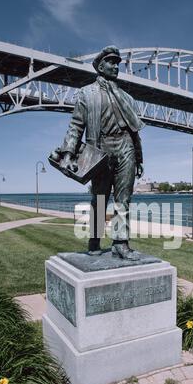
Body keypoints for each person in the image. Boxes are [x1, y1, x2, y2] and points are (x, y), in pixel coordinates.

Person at [58, 45, 145, 260]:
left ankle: (120, 243)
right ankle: (95, 239)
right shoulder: (86, 93)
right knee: (99, 199)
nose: (115, 66)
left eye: (117, 63)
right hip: (100, 149)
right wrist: (68, 153)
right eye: (111, 62)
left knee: (123, 199)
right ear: (100, 65)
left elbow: (134, 132)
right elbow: (76, 126)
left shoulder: (127, 98)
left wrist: (139, 157)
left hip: (126, 147)